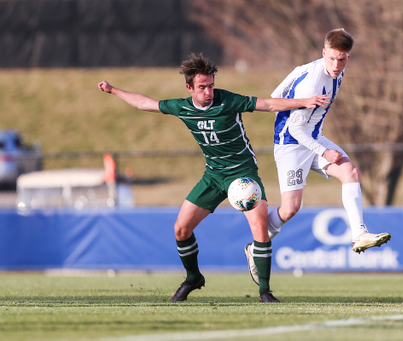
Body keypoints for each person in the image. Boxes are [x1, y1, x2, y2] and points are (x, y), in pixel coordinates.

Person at [97, 53, 329, 302]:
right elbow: (144, 103)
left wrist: (305, 101)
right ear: (189, 88)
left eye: (211, 86)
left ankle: (264, 292)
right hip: (214, 175)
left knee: (260, 227)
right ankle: (193, 278)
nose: (208, 91)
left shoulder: (227, 101)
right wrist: (113, 91)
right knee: (181, 229)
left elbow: (268, 104)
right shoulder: (183, 107)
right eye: (202, 87)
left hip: (243, 174)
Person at [244, 29, 391, 285]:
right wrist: (323, 149)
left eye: (342, 59)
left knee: (350, 172)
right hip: (292, 143)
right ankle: (255, 247)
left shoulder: (331, 70)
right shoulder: (313, 79)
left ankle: (359, 235)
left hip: (313, 136)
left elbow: (277, 94)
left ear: (348, 58)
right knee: (290, 208)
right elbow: (293, 127)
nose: (336, 65)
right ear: (324, 53)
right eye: (332, 58)